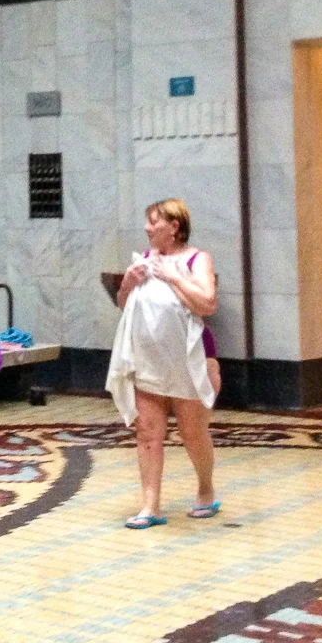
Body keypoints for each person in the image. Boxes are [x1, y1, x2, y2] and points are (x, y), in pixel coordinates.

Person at [107, 198, 220, 529]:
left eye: (154, 221)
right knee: (147, 433)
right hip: (148, 361)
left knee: (192, 432)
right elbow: (124, 305)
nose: (146, 227)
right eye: (147, 221)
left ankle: (205, 488)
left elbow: (207, 303)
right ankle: (150, 506)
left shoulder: (198, 259)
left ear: (174, 227)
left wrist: (173, 277)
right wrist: (128, 282)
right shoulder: (144, 259)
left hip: (190, 359)